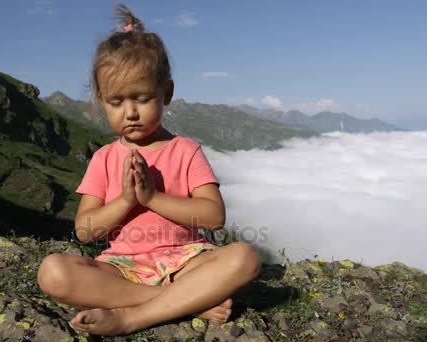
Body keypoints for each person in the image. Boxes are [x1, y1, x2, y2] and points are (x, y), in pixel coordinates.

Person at [36, 3, 261, 336]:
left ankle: (130, 317)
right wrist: (126, 201)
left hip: (187, 263)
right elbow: (85, 231)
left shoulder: (185, 151)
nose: (130, 112)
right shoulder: (104, 158)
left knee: (246, 257)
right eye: (116, 102)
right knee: (52, 271)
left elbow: (214, 217)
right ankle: (186, 302)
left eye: (141, 98)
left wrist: (151, 197)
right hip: (122, 268)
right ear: (102, 102)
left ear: (165, 93)